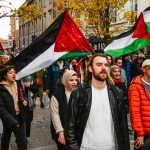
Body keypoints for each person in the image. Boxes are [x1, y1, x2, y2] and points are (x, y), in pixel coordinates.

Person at [66, 53, 130, 150]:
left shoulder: (117, 93)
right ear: (90, 68)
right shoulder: (79, 93)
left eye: (106, 65)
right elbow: (70, 127)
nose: (103, 68)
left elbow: (123, 128)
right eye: (99, 65)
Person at [0, 65, 27, 150]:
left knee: (22, 143)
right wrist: (12, 122)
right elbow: (1, 108)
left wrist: (25, 101)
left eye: (14, 72)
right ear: (5, 76)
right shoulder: (1, 88)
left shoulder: (18, 85)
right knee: (5, 143)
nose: (13, 74)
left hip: (19, 118)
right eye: (10, 72)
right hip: (7, 121)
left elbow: (23, 97)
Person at [50, 70, 78, 150]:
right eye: (71, 80)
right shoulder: (57, 94)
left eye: (76, 80)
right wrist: (60, 132)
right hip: (62, 129)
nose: (74, 82)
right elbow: (54, 114)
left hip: (75, 130)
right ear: (65, 80)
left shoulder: (79, 92)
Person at [128, 59, 150, 150]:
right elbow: (134, 112)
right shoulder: (135, 86)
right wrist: (140, 133)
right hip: (144, 133)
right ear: (143, 69)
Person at [22, 74, 39, 141]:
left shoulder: (30, 78)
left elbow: (36, 89)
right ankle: (21, 137)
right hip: (19, 102)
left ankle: (25, 137)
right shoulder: (16, 77)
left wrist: (29, 86)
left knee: (28, 120)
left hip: (29, 103)